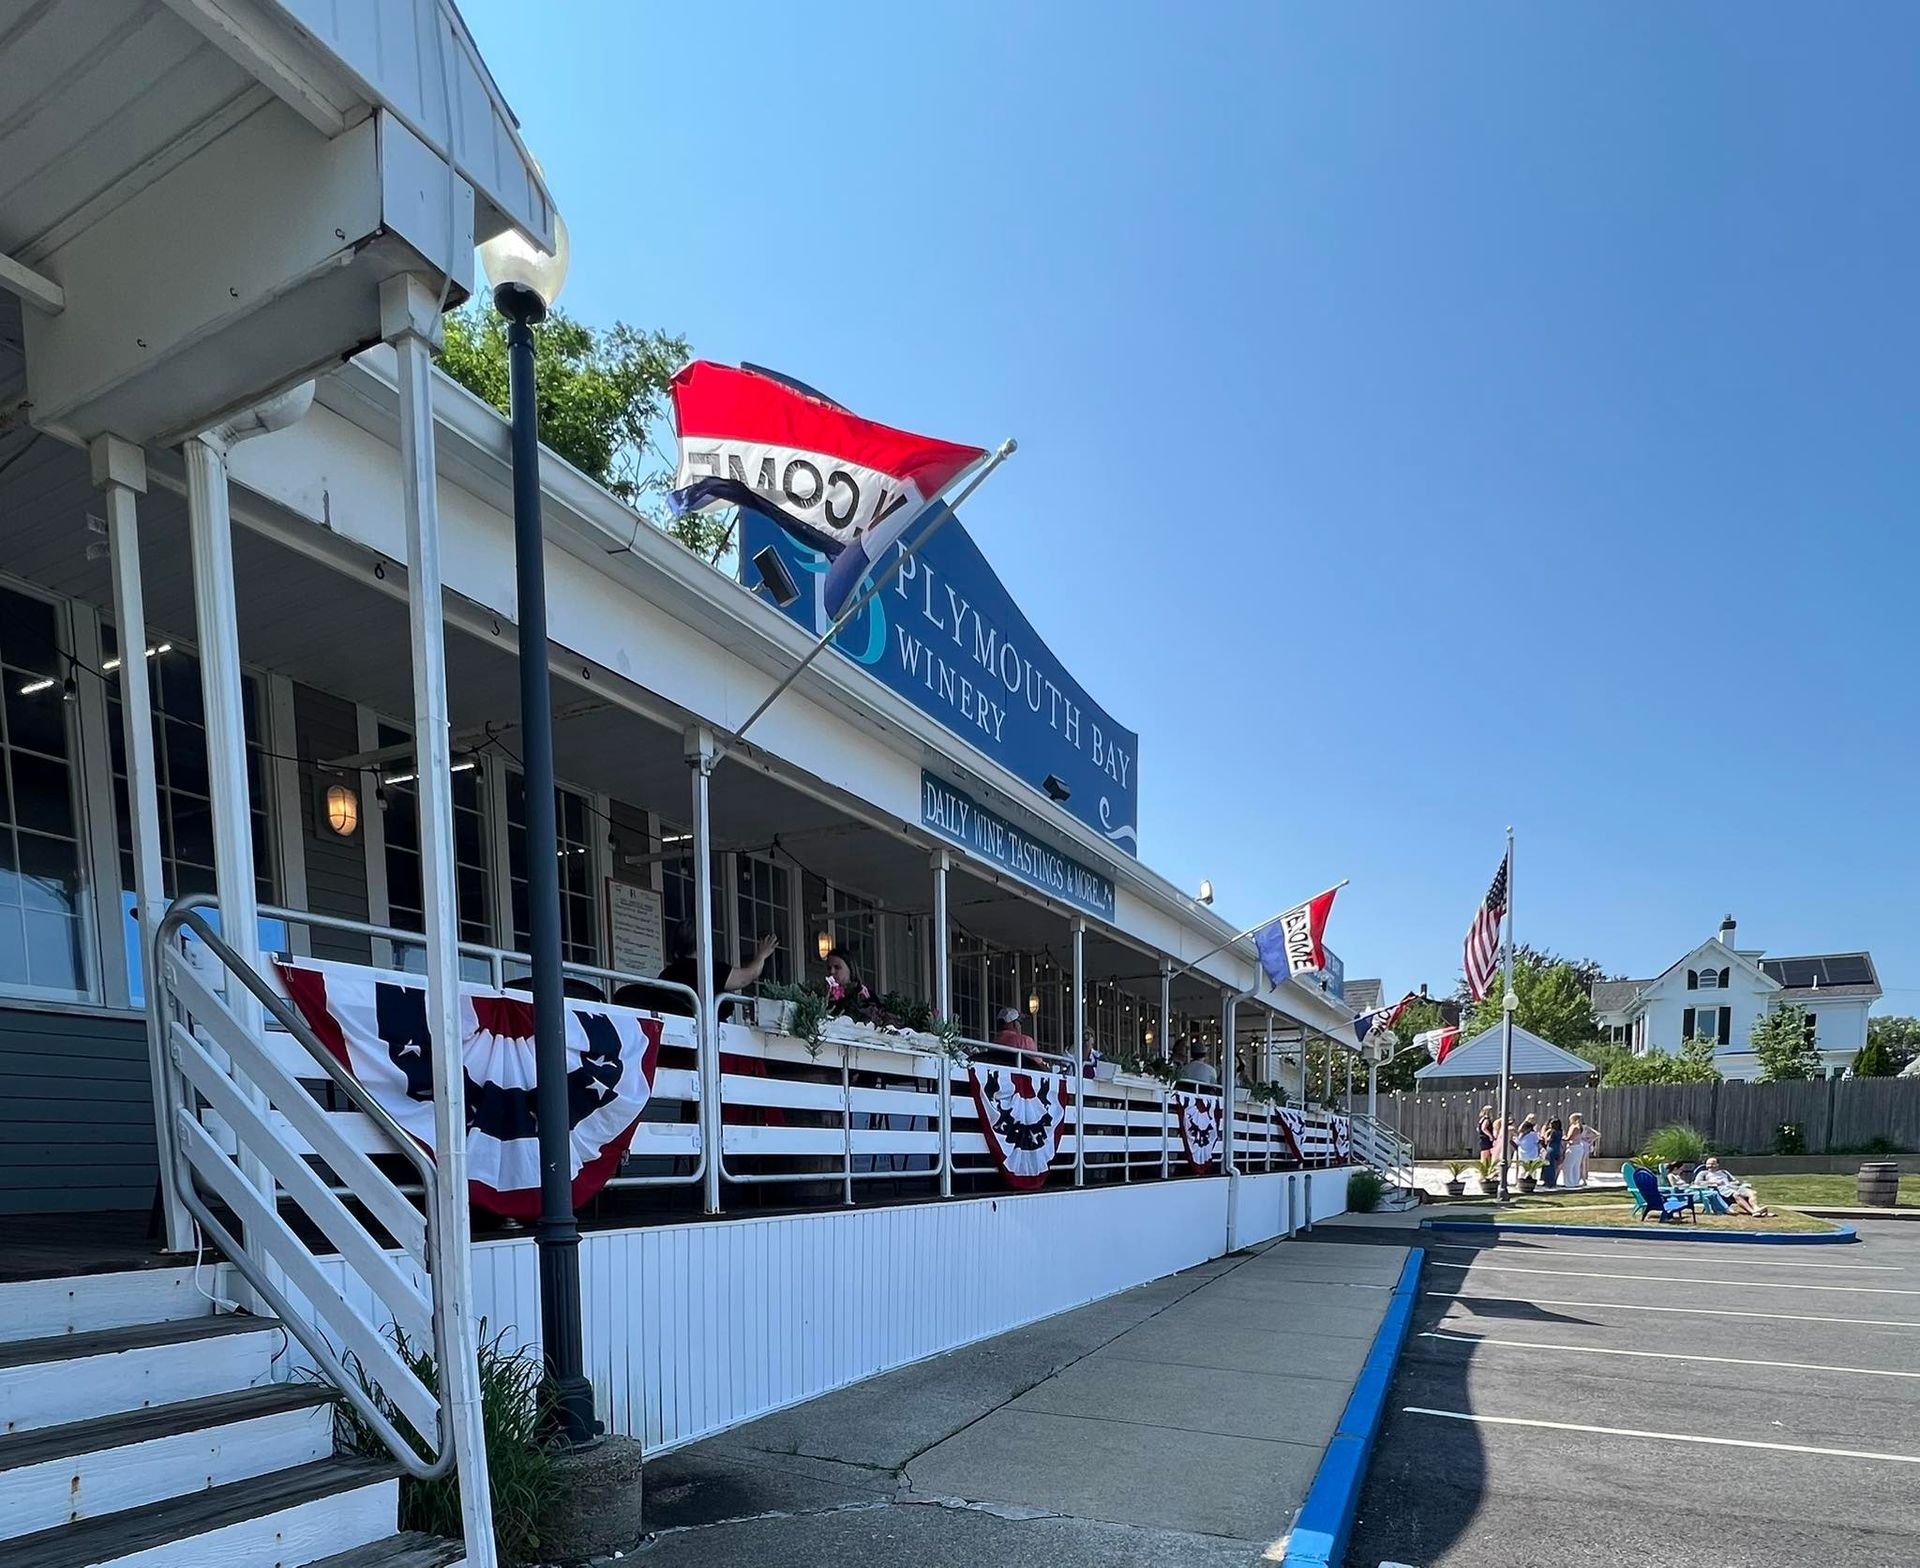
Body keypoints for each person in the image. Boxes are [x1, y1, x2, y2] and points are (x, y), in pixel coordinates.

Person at [654, 920, 778, 1022]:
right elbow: (746, 977)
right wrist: (762, 955)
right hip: (705, 1038)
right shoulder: (708, 969)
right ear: (704, 942)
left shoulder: (666, 974)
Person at [1696, 1156, 1774, 1217]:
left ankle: (1756, 1208)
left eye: (1713, 1163)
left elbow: (1735, 1181)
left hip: (1732, 1187)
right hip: (1720, 1189)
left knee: (1751, 1193)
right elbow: (1698, 1183)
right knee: (1736, 1194)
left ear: (1717, 1164)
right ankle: (1753, 1212)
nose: (1710, 1165)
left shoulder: (1724, 1172)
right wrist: (1713, 1182)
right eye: (1708, 1163)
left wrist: (1733, 1184)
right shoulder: (1703, 1173)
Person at [823, 947, 876, 1020]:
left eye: (837, 967)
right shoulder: (824, 997)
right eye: (829, 968)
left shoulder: (863, 994)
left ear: (850, 969)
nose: (832, 972)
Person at [992, 1006, 1048, 1071]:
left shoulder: (994, 1042)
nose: (1020, 1025)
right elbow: (1039, 1065)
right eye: (1020, 1022)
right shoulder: (1024, 1041)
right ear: (1014, 1023)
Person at [1561, 1113, 1597, 1188]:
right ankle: (1575, 1182)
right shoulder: (1581, 1127)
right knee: (1576, 1166)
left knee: (1568, 1166)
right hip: (1579, 1147)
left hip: (1573, 1147)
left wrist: (1562, 1137)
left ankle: (1569, 1183)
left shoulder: (1573, 1127)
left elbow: (1569, 1138)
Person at [1541, 1116, 1565, 1188]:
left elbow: (1548, 1140)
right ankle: (1553, 1181)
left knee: (1549, 1166)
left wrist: (1546, 1135)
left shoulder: (1552, 1131)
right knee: (1554, 1166)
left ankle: (1549, 1182)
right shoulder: (1560, 1131)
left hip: (1551, 1148)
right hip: (1557, 1148)